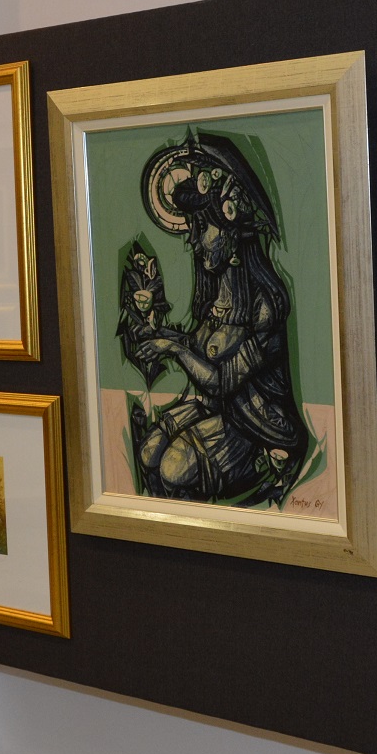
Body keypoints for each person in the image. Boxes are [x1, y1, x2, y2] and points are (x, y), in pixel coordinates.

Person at [121, 132, 309, 507]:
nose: (193, 241)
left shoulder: (265, 303)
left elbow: (223, 382)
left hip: (257, 427)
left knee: (172, 467)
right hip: (216, 411)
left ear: (231, 231)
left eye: (202, 228)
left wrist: (174, 348)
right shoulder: (214, 293)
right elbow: (201, 351)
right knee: (149, 452)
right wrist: (158, 332)